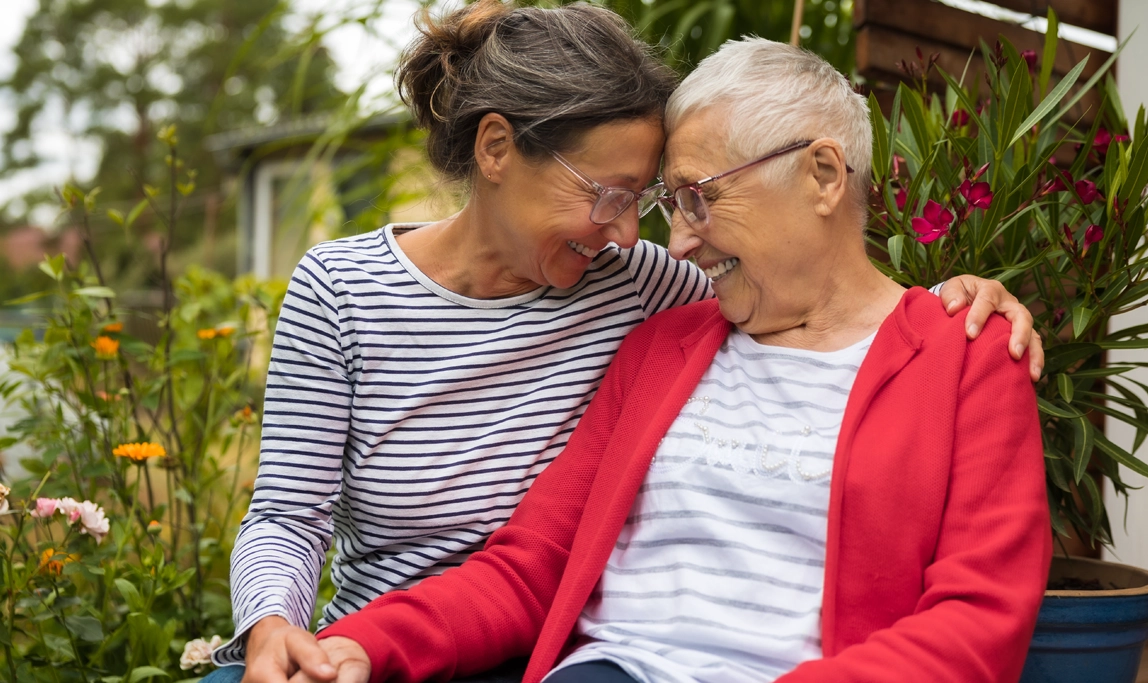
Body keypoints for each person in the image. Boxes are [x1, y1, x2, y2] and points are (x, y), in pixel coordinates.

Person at [209, 4, 1044, 683]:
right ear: (495, 150)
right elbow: (526, 562)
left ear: (824, 174)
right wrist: (360, 641)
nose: (666, 241)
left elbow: (976, 622)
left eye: (692, 199)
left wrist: (949, 305)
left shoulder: (962, 354)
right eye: (655, 202)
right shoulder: (668, 335)